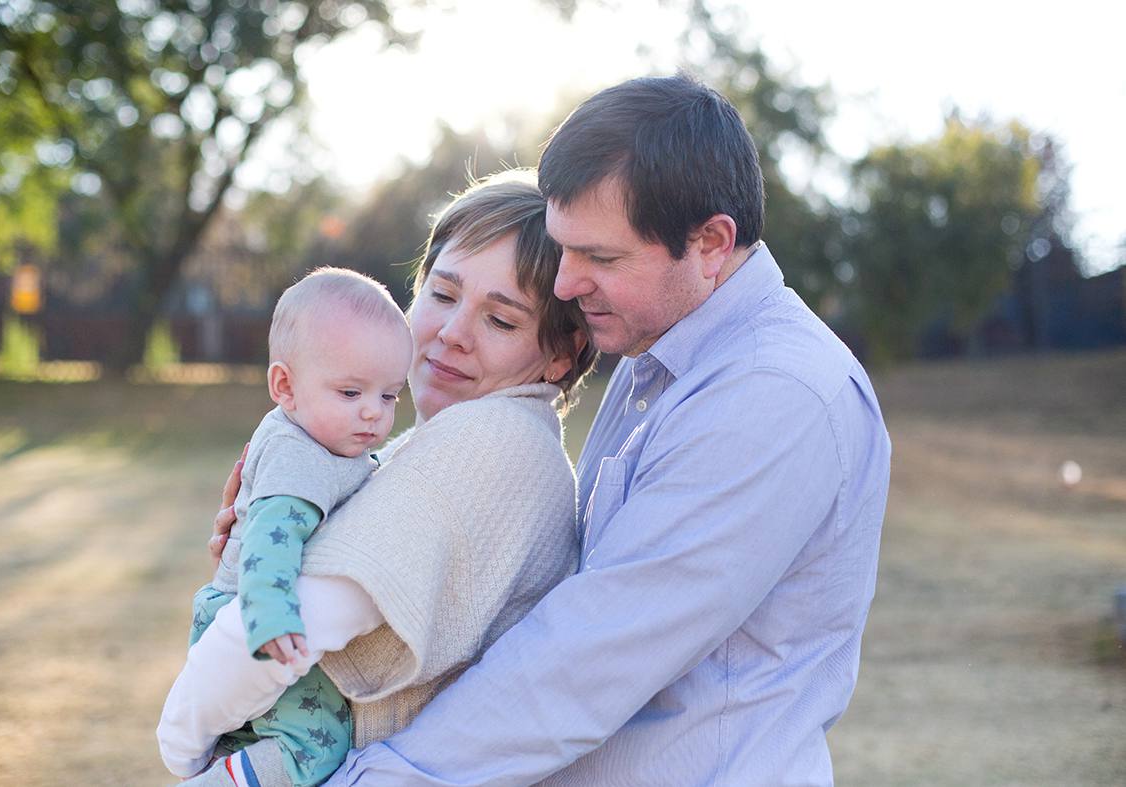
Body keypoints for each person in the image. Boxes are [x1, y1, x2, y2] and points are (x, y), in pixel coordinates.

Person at [326, 74, 892, 785]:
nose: (563, 284)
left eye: (600, 256)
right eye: (564, 248)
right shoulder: (655, 354)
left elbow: (591, 654)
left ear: (711, 242)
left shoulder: (776, 394)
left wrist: (378, 776)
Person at [184, 171, 599, 787]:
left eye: (501, 321)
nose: (452, 333)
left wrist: (183, 744)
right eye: (443, 294)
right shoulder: (422, 446)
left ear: (561, 355)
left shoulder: (494, 441)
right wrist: (268, 535)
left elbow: (291, 623)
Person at [158, 268, 414, 785]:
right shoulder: (300, 460)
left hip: (252, 606)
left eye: (389, 396)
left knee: (250, 735)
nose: (373, 414)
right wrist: (271, 618)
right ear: (285, 386)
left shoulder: (322, 438)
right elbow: (269, 543)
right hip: (261, 614)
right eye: (349, 393)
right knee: (315, 745)